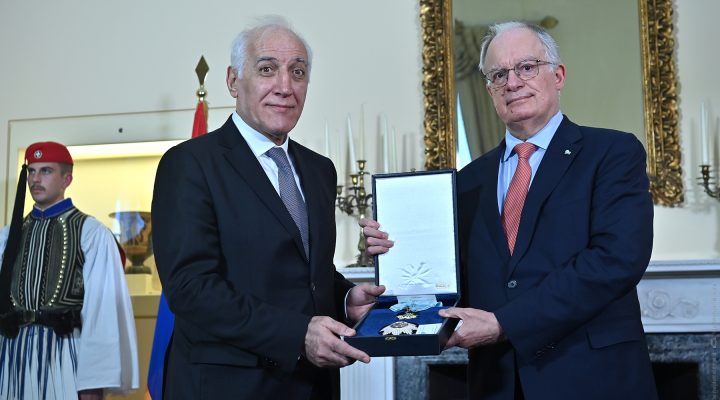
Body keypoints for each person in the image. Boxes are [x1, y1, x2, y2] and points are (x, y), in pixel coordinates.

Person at [363, 21, 657, 399]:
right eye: (499, 74)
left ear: (558, 75)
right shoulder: (467, 181)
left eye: (527, 67)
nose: (512, 82)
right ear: (489, 90)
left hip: (593, 378)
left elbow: (616, 260)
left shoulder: (612, 153)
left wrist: (506, 323)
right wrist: (395, 254)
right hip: (497, 382)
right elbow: (451, 278)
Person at [151, 16, 384, 400]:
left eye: (298, 72)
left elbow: (307, 273)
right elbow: (191, 288)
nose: (285, 86)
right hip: (228, 387)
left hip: (314, 386)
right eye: (267, 69)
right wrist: (297, 334)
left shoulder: (319, 170)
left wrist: (345, 297)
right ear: (233, 81)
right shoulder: (190, 164)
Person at [0, 141, 139, 400]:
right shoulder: (9, 236)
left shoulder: (90, 233)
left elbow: (102, 311)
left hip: (65, 356)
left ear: (67, 179)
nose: (35, 179)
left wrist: (94, 381)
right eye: (31, 171)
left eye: (46, 171)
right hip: (12, 358)